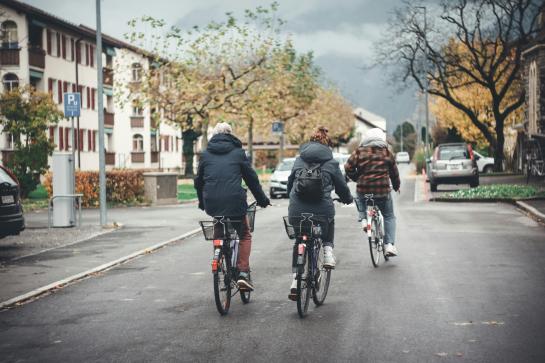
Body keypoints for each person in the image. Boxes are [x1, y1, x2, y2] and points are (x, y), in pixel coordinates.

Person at [194, 122, 270, 291]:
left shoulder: (205, 155)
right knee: (244, 234)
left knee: (218, 232)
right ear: (230, 134)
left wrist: (202, 201)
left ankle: (220, 262)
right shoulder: (238, 153)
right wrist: (262, 199)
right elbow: (251, 179)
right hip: (235, 202)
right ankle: (242, 272)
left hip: (212, 202)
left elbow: (198, 181)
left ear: (214, 135)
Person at [286, 127, 353, 299]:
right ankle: (327, 252)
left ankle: (295, 281)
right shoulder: (331, 163)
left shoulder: (299, 160)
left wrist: (291, 198)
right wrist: (347, 199)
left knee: (300, 239)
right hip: (321, 210)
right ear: (327, 145)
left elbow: (290, 182)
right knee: (329, 221)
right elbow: (341, 187)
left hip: (297, 209)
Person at [344, 128, 400, 256]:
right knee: (389, 216)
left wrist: (357, 177)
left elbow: (348, 167)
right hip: (382, 191)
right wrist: (396, 186)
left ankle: (363, 219)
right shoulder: (386, 153)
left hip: (364, 189)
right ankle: (389, 245)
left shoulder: (359, 152)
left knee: (360, 196)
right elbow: (394, 173)